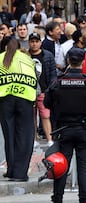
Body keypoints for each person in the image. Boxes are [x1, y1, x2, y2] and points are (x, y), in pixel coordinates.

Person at [44, 48, 86, 203]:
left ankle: (58, 198)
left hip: (63, 130)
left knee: (61, 165)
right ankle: (84, 199)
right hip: (85, 130)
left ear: (68, 61)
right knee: (84, 167)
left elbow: (47, 103)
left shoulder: (57, 82)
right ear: (83, 62)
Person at [0, 39, 37, 182]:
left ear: (4, 47)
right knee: (25, 136)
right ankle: (20, 173)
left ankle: (11, 169)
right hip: (25, 98)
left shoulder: (1, 57)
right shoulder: (27, 59)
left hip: (5, 99)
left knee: (9, 136)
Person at [28, 32, 57, 147]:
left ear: (40, 42)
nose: (34, 44)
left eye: (36, 41)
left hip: (44, 90)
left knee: (45, 115)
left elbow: (53, 73)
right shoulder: (25, 55)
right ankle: (34, 139)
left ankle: (49, 139)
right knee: (32, 116)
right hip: (29, 90)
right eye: (32, 42)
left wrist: (51, 88)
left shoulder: (48, 55)